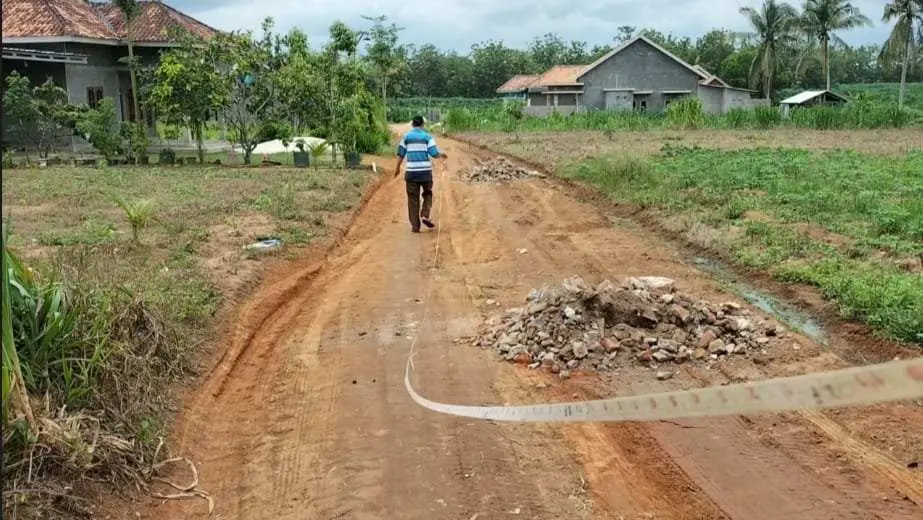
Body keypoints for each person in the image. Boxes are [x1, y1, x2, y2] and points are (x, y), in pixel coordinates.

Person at [394, 115, 448, 233]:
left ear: (412, 124)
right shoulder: (427, 137)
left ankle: (415, 226)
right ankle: (425, 214)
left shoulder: (406, 137)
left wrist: (397, 169)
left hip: (411, 173)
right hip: (425, 173)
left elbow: (400, 154)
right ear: (423, 125)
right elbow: (434, 153)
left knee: (413, 199)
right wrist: (442, 154)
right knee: (428, 193)